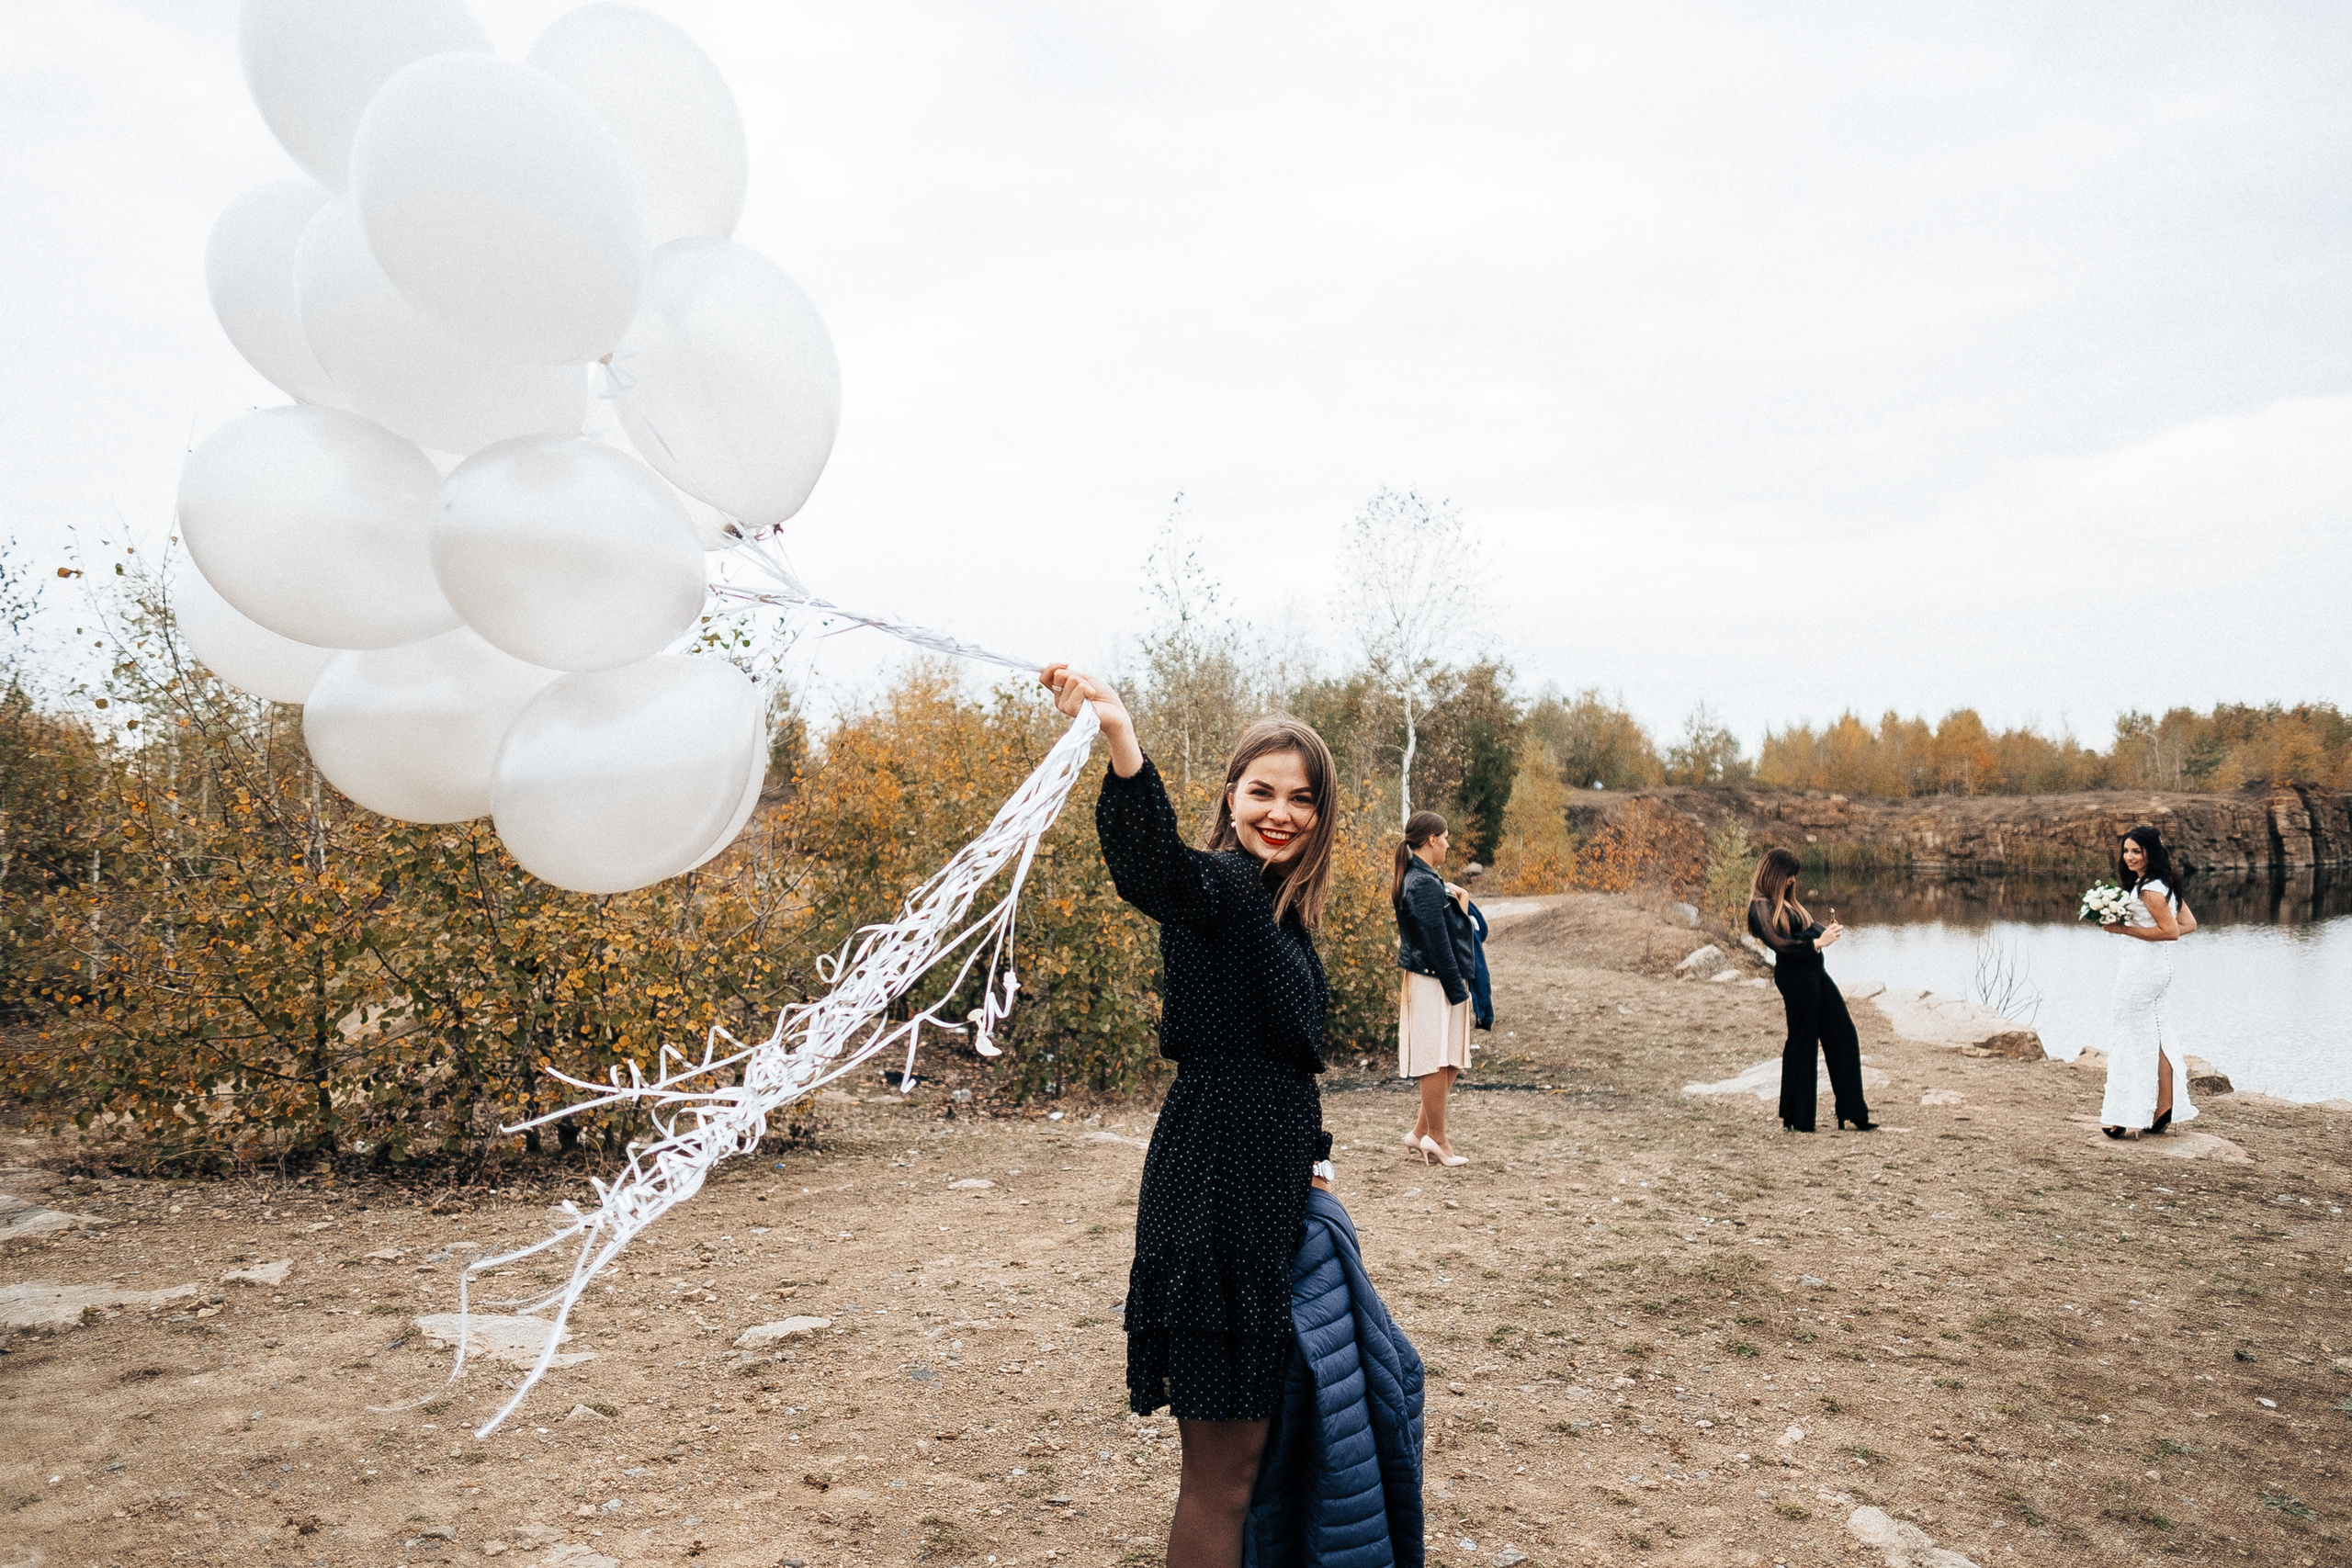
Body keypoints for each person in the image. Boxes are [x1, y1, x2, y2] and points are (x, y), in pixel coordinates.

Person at [1043, 664, 1338, 1568]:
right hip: (1216, 1184)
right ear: (1231, 797)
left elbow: (1283, 1058)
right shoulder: (1218, 889)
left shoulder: (1284, 914)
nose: (1278, 812)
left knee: (1245, 1461)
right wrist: (1121, 739)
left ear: (1321, 815)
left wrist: (1315, 1159)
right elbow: (1149, 867)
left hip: (1263, 1182)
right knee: (1222, 1475)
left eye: (1299, 797)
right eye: (1261, 792)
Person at [1747, 847, 1876, 1133]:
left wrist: (1825, 931)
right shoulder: (1760, 907)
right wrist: (1818, 943)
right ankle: (1798, 1116)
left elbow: (1804, 929)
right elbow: (1779, 944)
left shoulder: (1788, 904)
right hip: (1794, 978)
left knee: (1843, 1034)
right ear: (1775, 875)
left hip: (1815, 973)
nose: (1793, 881)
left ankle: (1852, 1110)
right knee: (1802, 1042)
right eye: (1789, 876)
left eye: (1794, 876)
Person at [2099, 825, 2199, 1138]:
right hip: (2154, 968)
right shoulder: (2160, 883)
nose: (2129, 857)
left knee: (2132, 1035)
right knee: (2155, 1033)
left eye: (2136, 851)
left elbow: (2171, 932)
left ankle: (2127, 1113)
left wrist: (2125, 930)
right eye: (2126, 851)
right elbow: (2188, 925)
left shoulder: (2150, 890)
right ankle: (2163, 1107)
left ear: (2149, 853)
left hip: (2141, 971)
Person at [1394, 810, 1478, 1165]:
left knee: (1452, 1058)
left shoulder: (1425, 877)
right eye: (1444, 837)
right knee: (1434, 1059)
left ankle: (1420, 1133)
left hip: (1436, 978)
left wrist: (1460, 900)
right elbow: (1438, 942)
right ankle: (1438, 1139)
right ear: (1430, 839)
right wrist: (1458, 990)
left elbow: (1448, 930)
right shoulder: (1422, 882)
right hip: (1432, 979)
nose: (1448, 843)